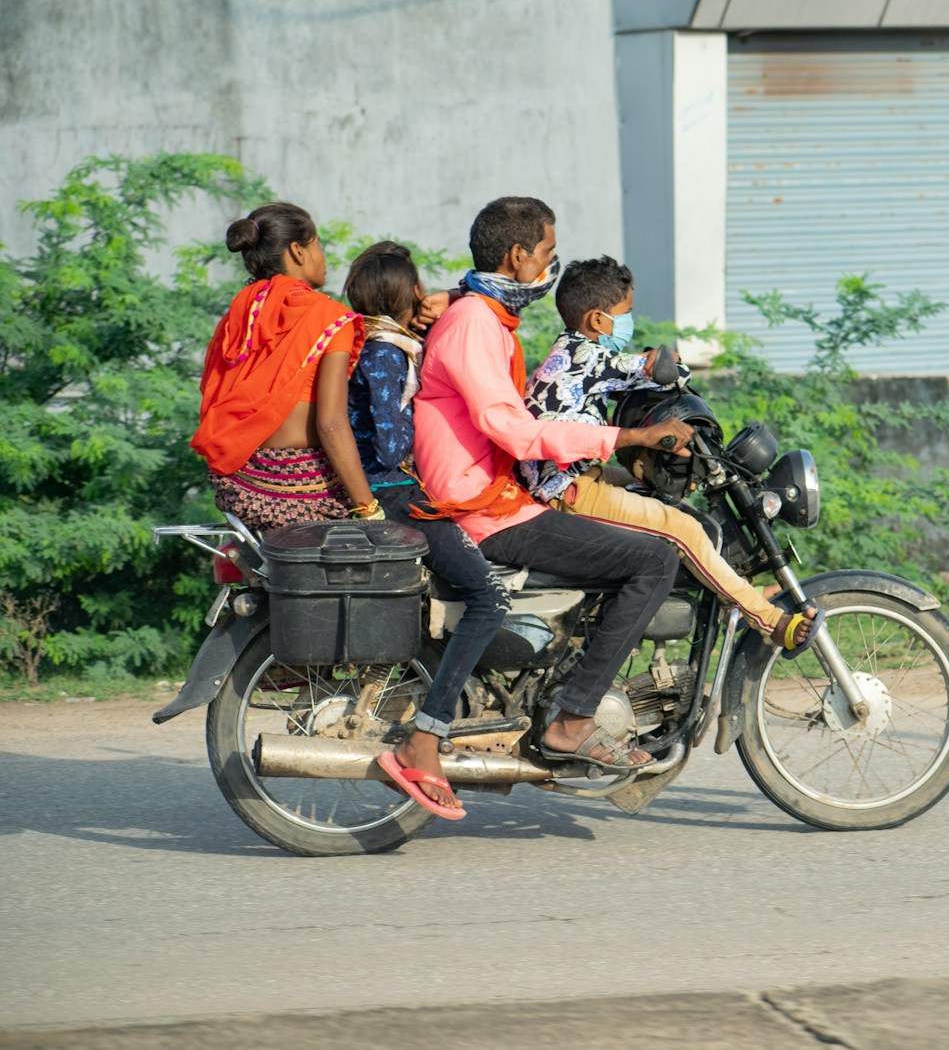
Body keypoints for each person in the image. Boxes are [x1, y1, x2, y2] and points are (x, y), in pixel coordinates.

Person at [412, 197, 695, 774]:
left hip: (496, 495)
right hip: (484, 509)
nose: (550, 266)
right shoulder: (472, 323)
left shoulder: (481, 315)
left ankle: (564, 685)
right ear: (518, 256)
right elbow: (513, 431)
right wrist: (627, 440)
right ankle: (572, 720)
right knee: (654, 563)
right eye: (546, 253)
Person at [522, 255, 816, 652]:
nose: (626, 323)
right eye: (624, 313)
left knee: (656, 495)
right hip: (569, 490)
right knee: (683, 528)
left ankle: (735, 589)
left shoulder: (568, 355)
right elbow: (662, 370)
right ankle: (768, 620)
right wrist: (668, 363)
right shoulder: (586, 354)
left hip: (565, 478)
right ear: (596, 320)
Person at [344, 240, 512, 819]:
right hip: (393, 494)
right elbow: (391, 444)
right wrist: (437, 416)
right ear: (401, 295)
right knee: (489, 597)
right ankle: (428, 735)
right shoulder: (386, 352)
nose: (423, 295)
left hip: (385, 492)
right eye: (416, 288)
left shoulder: (366, 338)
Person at [192, 202, 380, 531]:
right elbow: (331, 424)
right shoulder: (330, 317)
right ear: (297, 251)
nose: (324, 257)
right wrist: (369, 509)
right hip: (305, 495)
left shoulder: (237, 317)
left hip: (241, 490)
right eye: (318, 244)